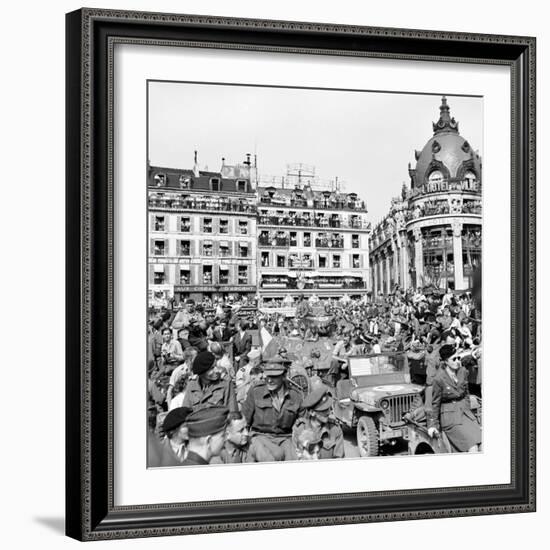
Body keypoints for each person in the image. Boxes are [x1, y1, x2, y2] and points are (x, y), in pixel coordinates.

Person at [241, 359, 304, 462]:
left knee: (293, 460)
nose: (269, 380)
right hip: (260, 436)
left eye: (274, 377)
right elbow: (244, 420)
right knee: (268, 459)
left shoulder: (295, 395)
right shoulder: (256, 391)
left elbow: (302, 422)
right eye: (267, 376)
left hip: (285, 438)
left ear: (284, 376)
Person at [427, 344, 481, 452]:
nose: (457, 361)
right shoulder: (439, 379)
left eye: (458, 358)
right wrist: (433, 425)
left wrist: (467, 408)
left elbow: (466, 393)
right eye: (454, 359)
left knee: (483, 444)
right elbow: (435, 404)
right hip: (450, 419)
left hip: (465, 415)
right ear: (446, 361)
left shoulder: (463, 372)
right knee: (472, 448)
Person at [291, 386, 344, 460]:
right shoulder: (299, 430)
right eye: (323, 410)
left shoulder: (335, 429)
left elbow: (339, 459)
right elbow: (296, 458)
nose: (328, 412)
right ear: (312, 412)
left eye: (328, 408)